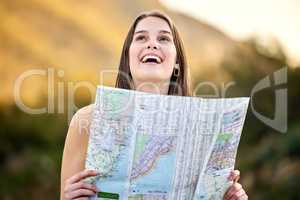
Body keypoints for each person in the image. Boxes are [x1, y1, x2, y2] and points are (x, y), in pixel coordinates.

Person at [60, 10, 248, 200]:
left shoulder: (206, 128)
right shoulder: (86, 120)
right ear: (128, 57)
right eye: (141, 37)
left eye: (164, 39)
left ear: (177, 63)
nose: (152, 43)